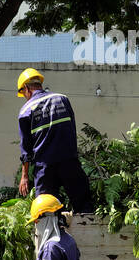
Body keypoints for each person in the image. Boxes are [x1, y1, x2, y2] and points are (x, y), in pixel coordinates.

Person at [16, 68, 92, 212]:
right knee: (84, 206)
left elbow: (26, 148)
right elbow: (72, 129)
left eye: (23, 93)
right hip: (69, 162)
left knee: (45, 210)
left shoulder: (26, 110)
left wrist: (24, 176)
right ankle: (89, 232)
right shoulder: (62, 99)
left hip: (45, 169)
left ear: (26, 88)